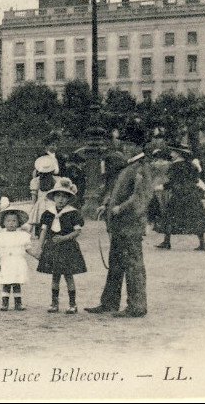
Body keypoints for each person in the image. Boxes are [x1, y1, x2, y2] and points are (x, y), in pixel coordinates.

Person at [85, 121, 155, 318]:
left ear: (137, 146)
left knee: (133, 264)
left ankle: (137, 306)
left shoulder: (141, 167)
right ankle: (109, 302)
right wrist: (107, 206)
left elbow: (140, 197)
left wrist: (119, 208)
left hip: (130, 225)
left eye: (128, 143)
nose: (125, 146)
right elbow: (119, 192)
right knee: (115, 264)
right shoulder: (130, 166)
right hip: (120, 225)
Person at [33, 179, 86, 314]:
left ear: (68, 198)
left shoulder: (73, 213)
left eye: (64, 196)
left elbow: (77, 231)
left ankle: (72, 304)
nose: (61, 199)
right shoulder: (48, 213)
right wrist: (39, 248)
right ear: (54, 197)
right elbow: (43, 232)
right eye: (58, 196)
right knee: (55, 275)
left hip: (67, 247)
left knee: (68, 275)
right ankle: (54, 303)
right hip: (52, 247)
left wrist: (64, 238)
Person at [152, 146, 205, 251]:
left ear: (178, 154)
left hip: (179, 194)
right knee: (196, 217)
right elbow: (196, 180)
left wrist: (160, 187)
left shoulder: (175, 166)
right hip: (191, 194)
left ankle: (166, 242)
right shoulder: (191, 165)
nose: (171, 154)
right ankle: (202, 243)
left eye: (173, 152)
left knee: (169, 216)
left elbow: (173, 182)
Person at [0, 208, 33, 311]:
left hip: (18, 263)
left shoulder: (22, 236)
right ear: (3, 223)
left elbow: (28, 249)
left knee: (16, 283)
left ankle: (18, 303)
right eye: (8, 221)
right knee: (6, 283)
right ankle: (4, 303)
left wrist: (37, 255)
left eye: (14, 221)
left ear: (18, 222)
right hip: (6, 263)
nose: (11, 223)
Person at [28, 156, 59, 237]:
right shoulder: (54, 180)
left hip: (43, 203)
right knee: (48, 218)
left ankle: (42, 234)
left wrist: (33, 205)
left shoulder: (37, 180)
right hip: (50, 203)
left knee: (40, 217)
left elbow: (34, 195)